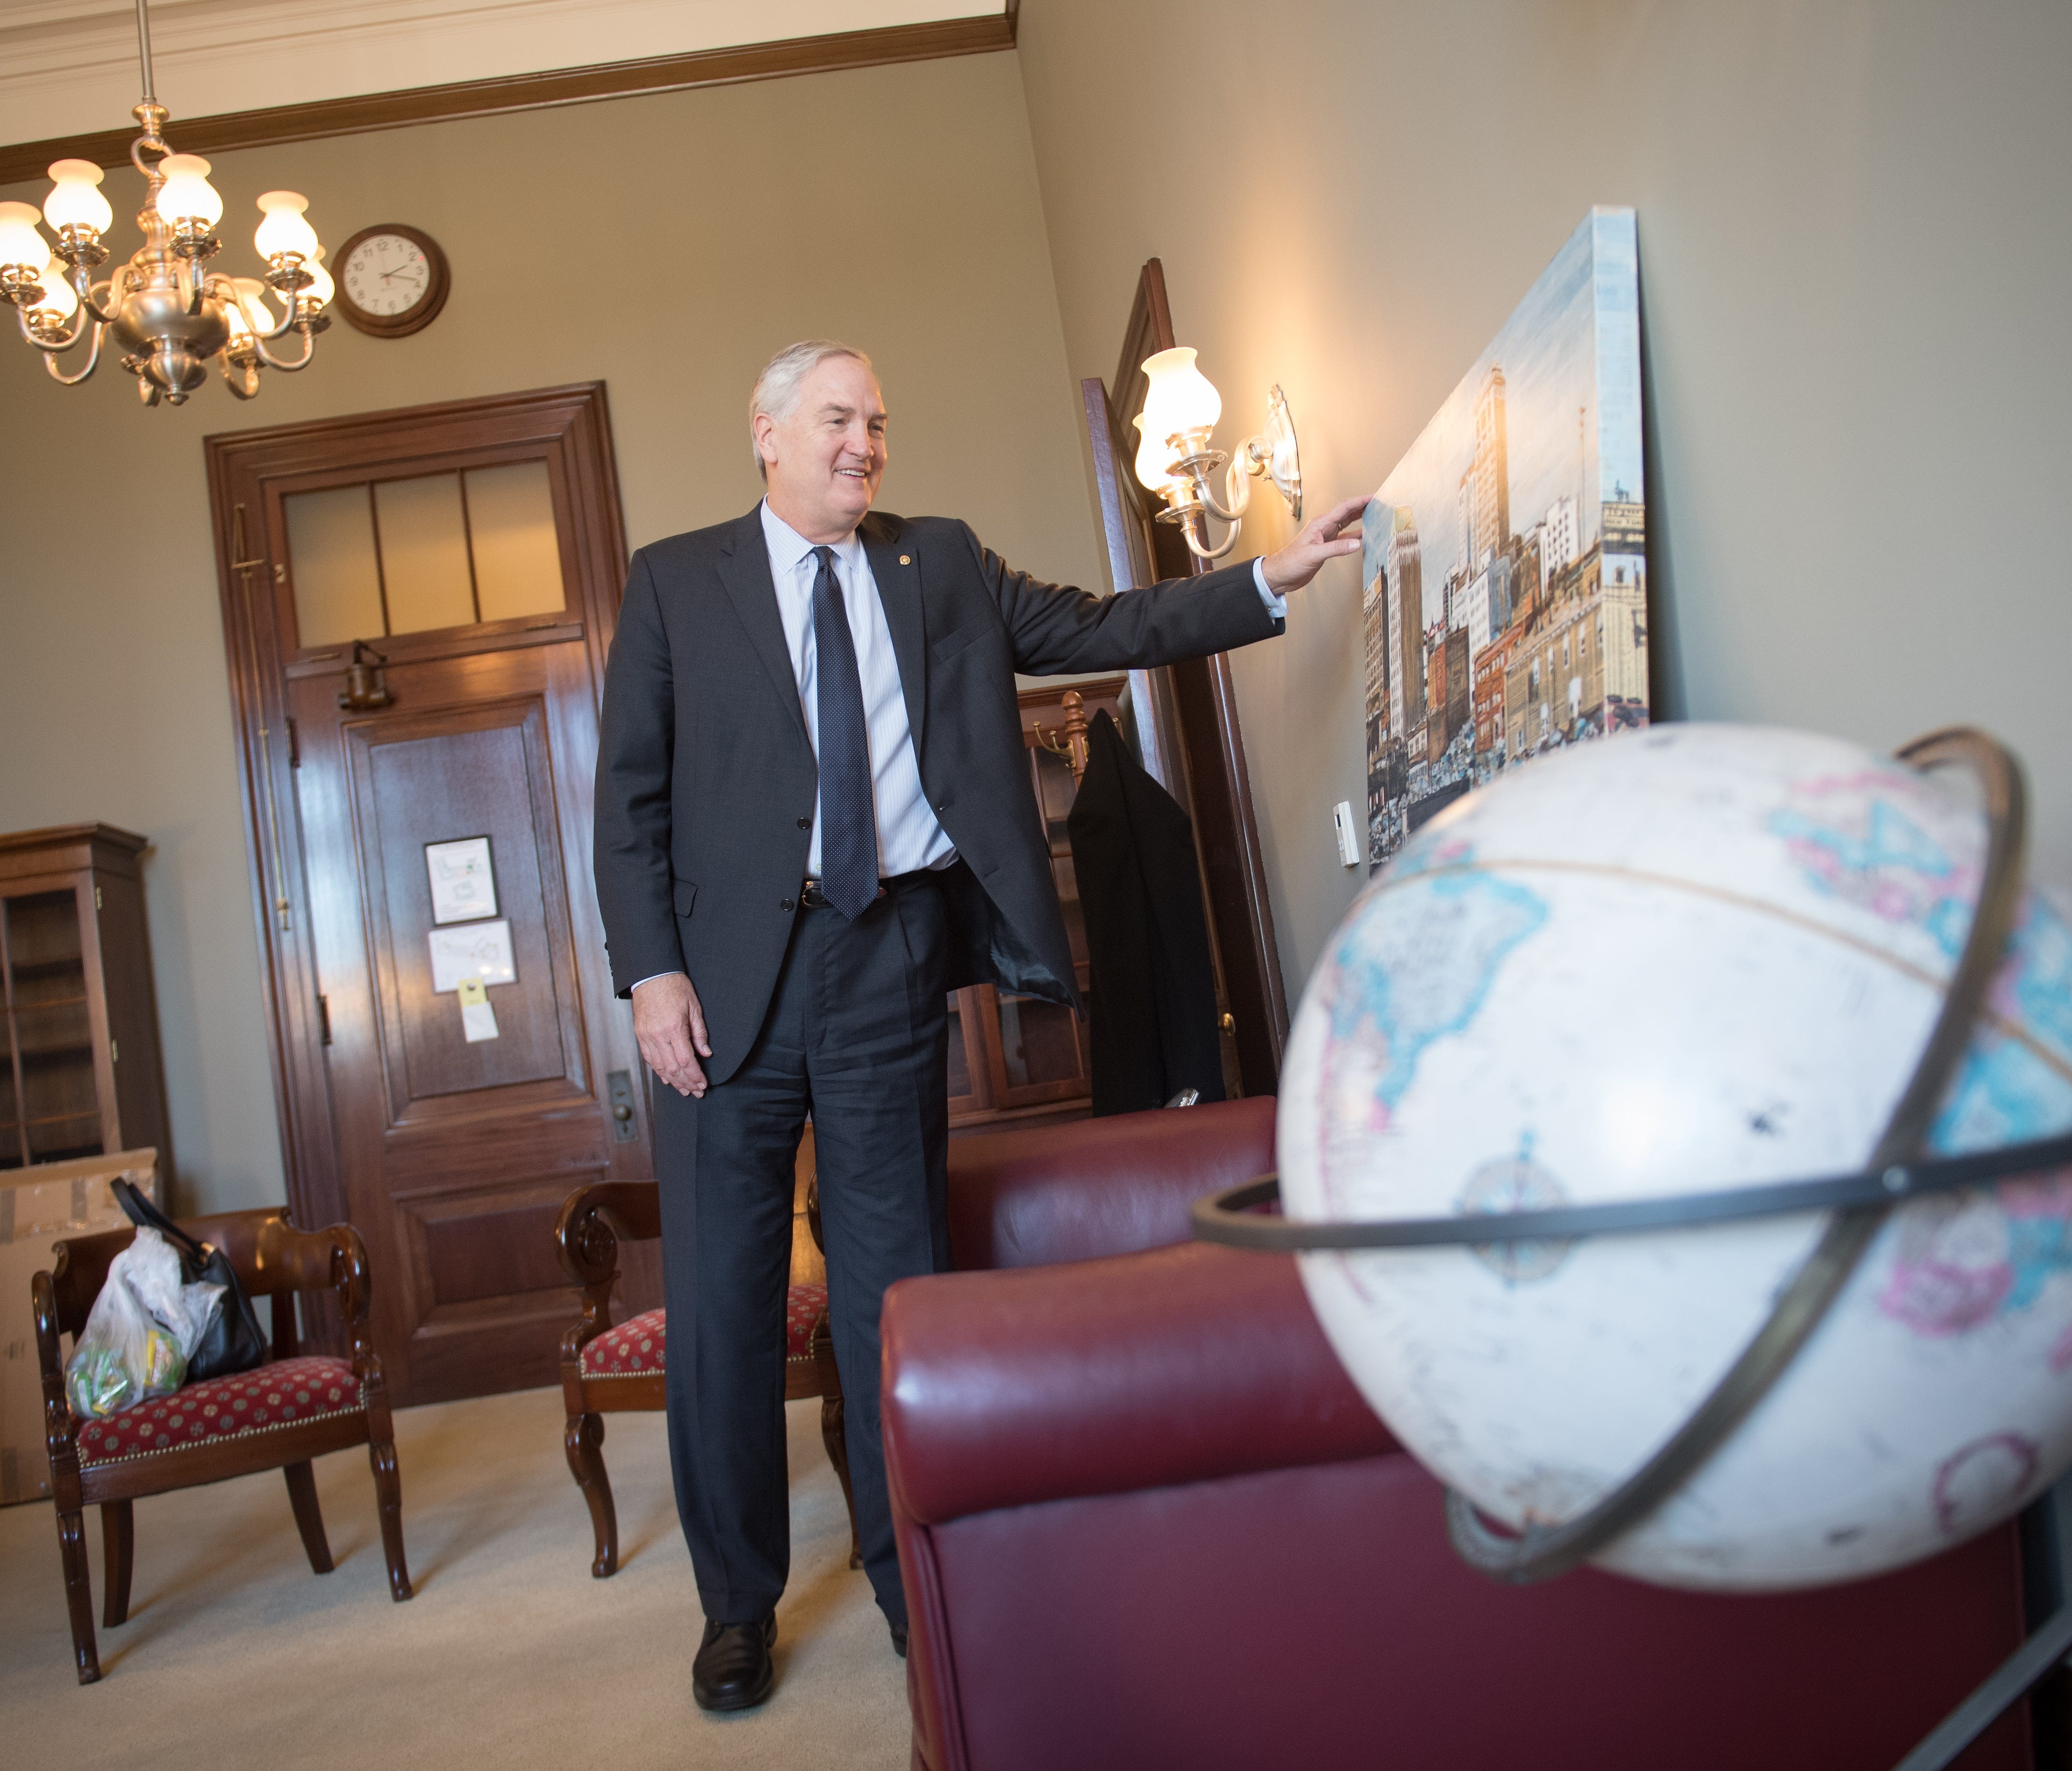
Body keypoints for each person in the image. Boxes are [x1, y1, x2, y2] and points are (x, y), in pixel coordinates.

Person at [593, 339, 1364, 1712]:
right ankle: (737, 1606)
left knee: (897, 1292)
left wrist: (1265, 581)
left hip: (886, 958)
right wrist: (653, 973)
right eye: (837, 419)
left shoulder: (935, 562)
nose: (864, 444)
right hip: (720, 1001)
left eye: (879, 423)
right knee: (724, 1305)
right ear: (765, 433)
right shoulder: (674, 582)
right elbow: (630, 802)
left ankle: (911, 1580)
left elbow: (1097, 627)